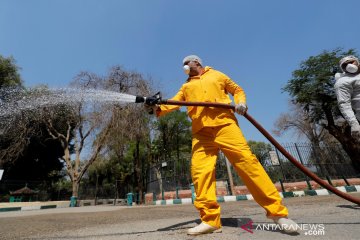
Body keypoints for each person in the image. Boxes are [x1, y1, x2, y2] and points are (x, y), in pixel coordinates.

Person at [145, 55, 297, 235]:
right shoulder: (186, 86)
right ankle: (210, 220)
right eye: (183, 64)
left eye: (187, 62)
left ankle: (278, 214)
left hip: (225, 125)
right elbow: (174, 103)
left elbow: (237, 89)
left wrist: (240, 103)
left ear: (197, 62)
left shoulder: (217, 75)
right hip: (201, 133)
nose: (184, 66)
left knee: (249, 165)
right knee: (200, 173)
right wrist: (154, 107)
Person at [334, 55, 360, 140]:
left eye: (351, 62)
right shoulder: (342, 82)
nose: (349, 66)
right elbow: (344, 104)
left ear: (357, 62)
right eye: (345, 65)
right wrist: (354, 124)